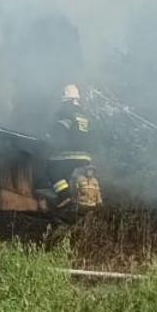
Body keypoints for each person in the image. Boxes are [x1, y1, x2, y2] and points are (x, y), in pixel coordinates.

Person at [43, 84, 102, 216]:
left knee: (51, 167)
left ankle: (64, 197)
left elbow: (59, 130)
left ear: (65, 97)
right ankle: (69, 204)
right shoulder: (83, 113)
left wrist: (48, 136)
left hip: (70, 152)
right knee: (65, 174)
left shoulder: (65, 110)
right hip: (85, 155)